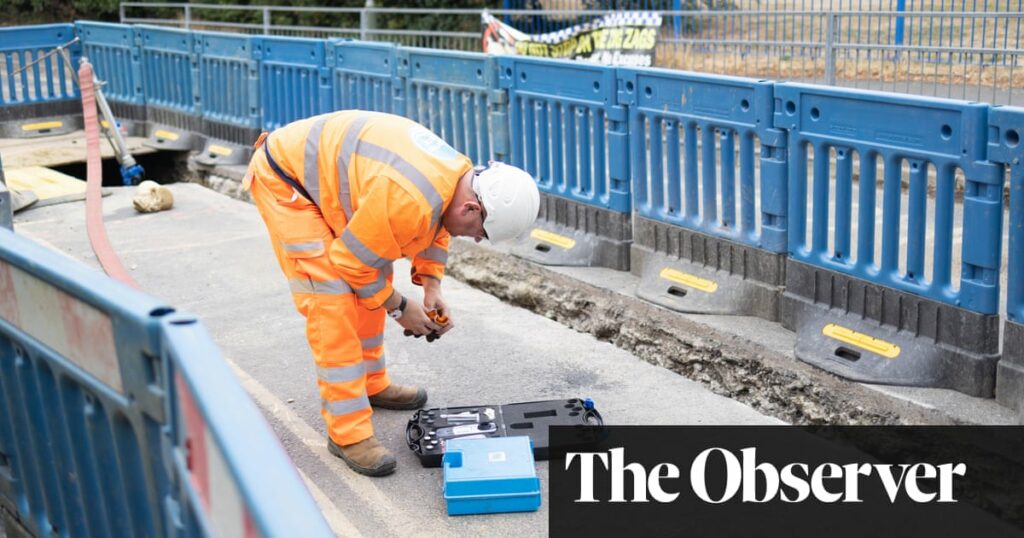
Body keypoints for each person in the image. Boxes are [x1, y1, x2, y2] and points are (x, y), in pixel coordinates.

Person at [243, 110, 540, 476]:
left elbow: (436, 226)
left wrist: (431, 286)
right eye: (480, 231)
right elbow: (351, 263)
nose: (475, 238)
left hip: (326, 182)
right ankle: (347, 433)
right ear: (472, 207)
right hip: (287, 184)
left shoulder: (457, 178)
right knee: (332, 302)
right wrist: (400, 309)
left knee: (375, 267)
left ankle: (370, 383)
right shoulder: (409, 198)